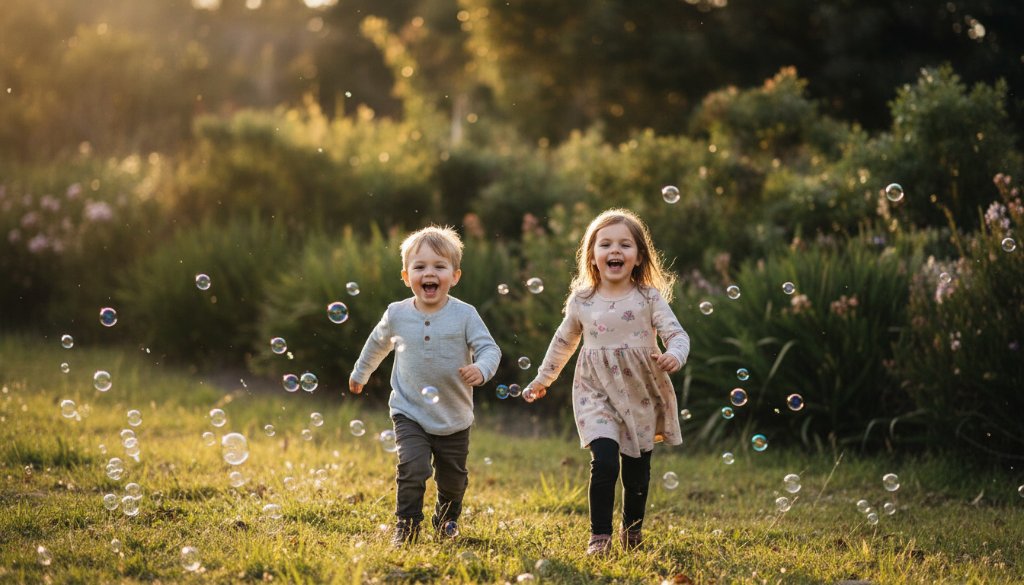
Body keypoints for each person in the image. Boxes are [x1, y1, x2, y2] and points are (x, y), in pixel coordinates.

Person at [526, 208, 689, 555]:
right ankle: (599, 536)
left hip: (640, 391)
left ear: (638, 256)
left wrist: (675, 353)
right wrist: (544, 378)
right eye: (606, 244)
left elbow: (677, 333)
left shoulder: (648, 298)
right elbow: (563, 342)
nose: (615, 250)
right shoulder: (582, 300)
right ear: (593, 255)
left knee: (637, 473)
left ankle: (632, 531)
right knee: (604, 461)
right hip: (595, 391)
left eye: (625, 244)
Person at [349, 225, 501, 547]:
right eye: (419, 267)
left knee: (453, 480)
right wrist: (360, 373)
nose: (428, 273)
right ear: (406, 276)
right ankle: (407, 525)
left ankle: (446, 521)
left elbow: (490, 349)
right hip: (409, 410)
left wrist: (481, 368)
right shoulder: (397, 314)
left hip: (454, 416)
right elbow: (376, 344)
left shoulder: (465, 315)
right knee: (412, 467)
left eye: (439, 266)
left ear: (454, 276)